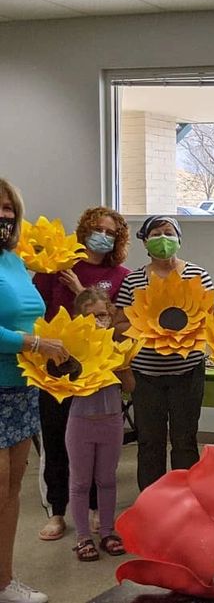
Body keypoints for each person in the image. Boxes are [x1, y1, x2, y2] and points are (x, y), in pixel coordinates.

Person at [33, 206, 130, 541]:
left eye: (111, 233)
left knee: (95, 447)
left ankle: (93, 508)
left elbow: (118, 324)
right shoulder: (57, 268)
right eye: (98, 229)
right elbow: (36, 313)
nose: (103, 236)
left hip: (97, 374)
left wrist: (81, 293)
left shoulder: (120, 275)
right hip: (57, 370)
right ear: (85, 230)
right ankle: (57, 512)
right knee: (56, 439)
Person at [0, 178, 68, 603]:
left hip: (21, 388)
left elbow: (28, 315)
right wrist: (35, 343)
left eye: (8, 208)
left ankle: (4, 581)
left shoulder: (13, 260)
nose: (3, 215)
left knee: (11, 493)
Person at [113, 216, 214, 490]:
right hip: (146, 375)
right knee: (149, 441)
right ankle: (152, 501)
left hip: (188, 372)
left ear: (179, 239)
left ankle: (187, 500)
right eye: (156, 234)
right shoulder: (133, 280)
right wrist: (145, 327)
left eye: (169, 233)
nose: (163, 239)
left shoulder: (198, 275)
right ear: (145, 242)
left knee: (185, 440)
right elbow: (117, 325)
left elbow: (212, 320)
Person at [67, 289, 134, 562]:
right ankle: (83, 536)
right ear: (79, 318)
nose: (98, 321)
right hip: (81, 422)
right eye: (91, 316)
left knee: (107, 479)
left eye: (103, 315)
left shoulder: (117, 348)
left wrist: (123, 365)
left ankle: (107, 531)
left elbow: (130, 387)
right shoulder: (73, 350)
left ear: (111, 315)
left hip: (111, 421)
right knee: (80, 482)